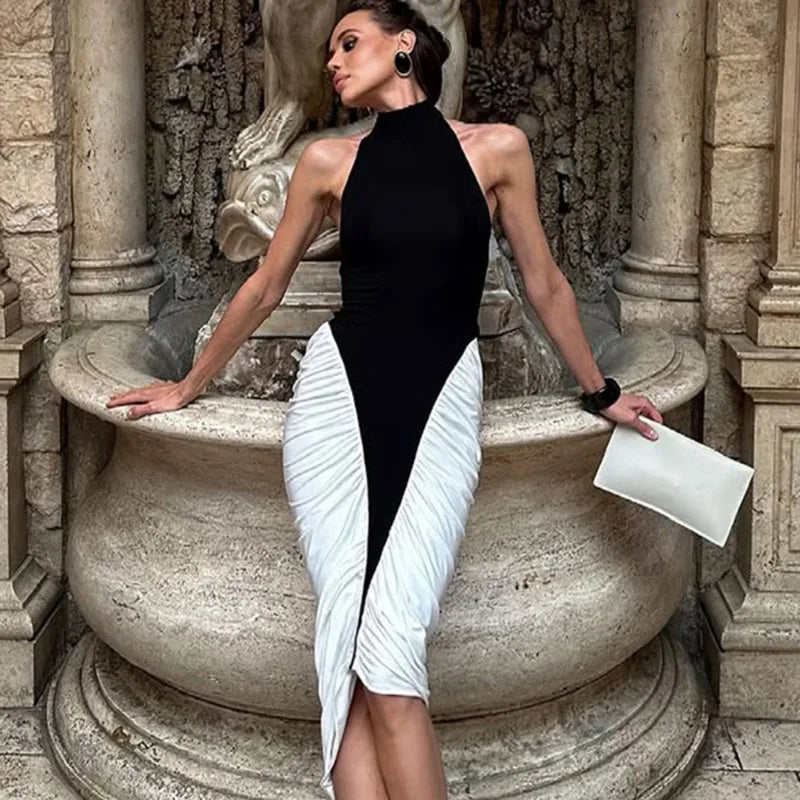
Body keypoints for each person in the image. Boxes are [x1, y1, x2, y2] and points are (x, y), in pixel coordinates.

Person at [107, 1, 663, 797]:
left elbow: (544, 283)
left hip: (441, 395)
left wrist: (601, 389)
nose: (332, 61)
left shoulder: (497, 150)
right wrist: (186, 387)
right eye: (331, 49)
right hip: (337, 398)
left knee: (391, 654)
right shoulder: (328, 163)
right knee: (346, 653)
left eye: (349, 42)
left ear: (406, 45)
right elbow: (266, 286)